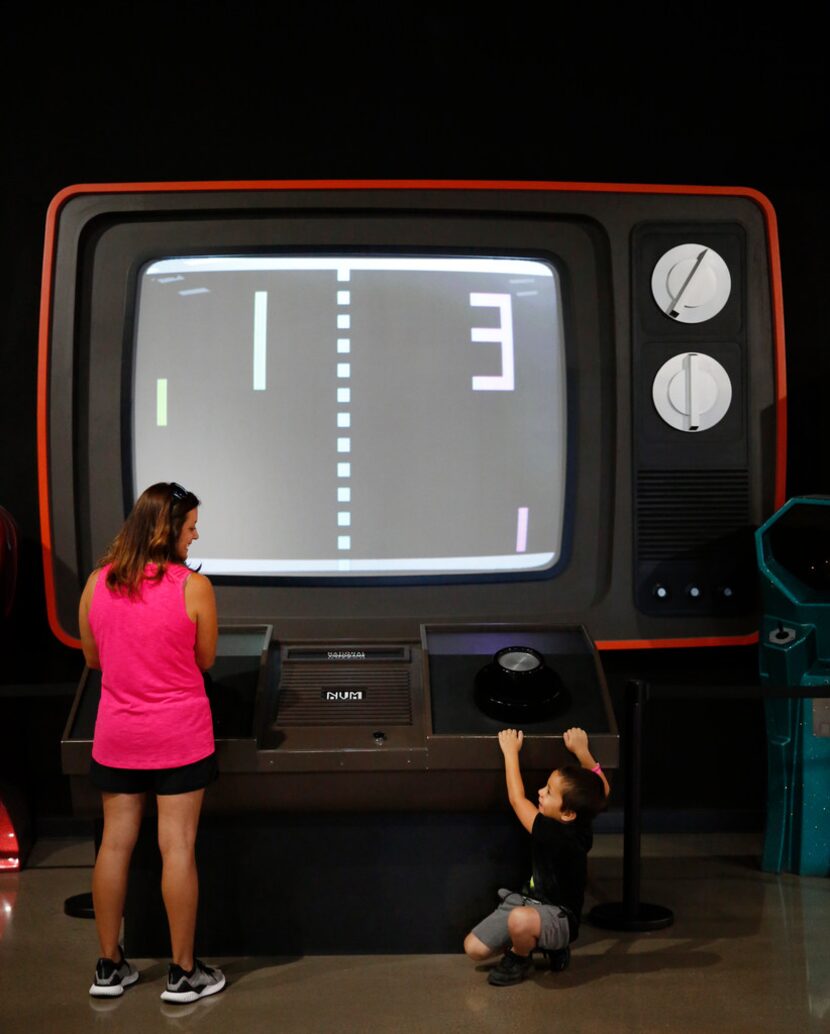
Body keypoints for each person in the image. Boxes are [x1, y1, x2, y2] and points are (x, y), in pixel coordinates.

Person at [78, 482, 225, 1003]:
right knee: (177, 847)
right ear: (167, 530)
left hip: (117, 734)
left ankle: (108, 966)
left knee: (114, 845)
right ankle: (183, 974)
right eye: (189, 527)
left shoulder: (98, 583)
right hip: (180, 736)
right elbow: (205, 659)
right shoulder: (193, 587)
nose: (196, 534)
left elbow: (93, 659)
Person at [464, 726, 609, 986]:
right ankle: (531, 941)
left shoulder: (555, 834)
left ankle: (520, 957)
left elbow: (517, 799)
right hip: (528, 902)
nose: (541, 791)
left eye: (549, 792)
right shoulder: (581, 821)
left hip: (559, 916)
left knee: (519, 920)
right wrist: (583, 752)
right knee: (474, 948)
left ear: (568, 814)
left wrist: (510, 752)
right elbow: (603, 792)